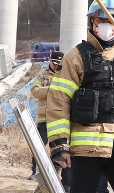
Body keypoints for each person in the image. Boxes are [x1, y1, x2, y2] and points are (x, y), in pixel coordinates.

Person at [46, 0, 114, 193]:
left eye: (111, 21)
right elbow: (59, 102)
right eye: (101, 20)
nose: (107, 26)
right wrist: (60, 145)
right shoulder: (75, 58)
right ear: (92, 22)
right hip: (86, 150)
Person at [30, 50, 70, 189]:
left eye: (59, 64)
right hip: (44, 118)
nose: (56, 66)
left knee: (62, 148)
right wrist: (50, 89)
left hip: (60, 119)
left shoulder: (66, 75)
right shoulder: (42, 75)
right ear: (50, 61)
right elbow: (34, 91)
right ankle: (35, 171)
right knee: (39, 145)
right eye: (54, 63)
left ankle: (65, 180)